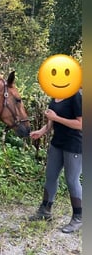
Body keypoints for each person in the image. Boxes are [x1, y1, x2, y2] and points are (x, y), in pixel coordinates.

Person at [29, 90, 82, 233]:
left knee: (72, 180)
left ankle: (79, 217)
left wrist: (56, 118)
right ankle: (45, 211)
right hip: (57, 143)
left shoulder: (76, 95)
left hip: (74, 145)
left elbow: (80, 124)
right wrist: (42, 131)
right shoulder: (56, 94)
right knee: (51, 176)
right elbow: (51, 120)